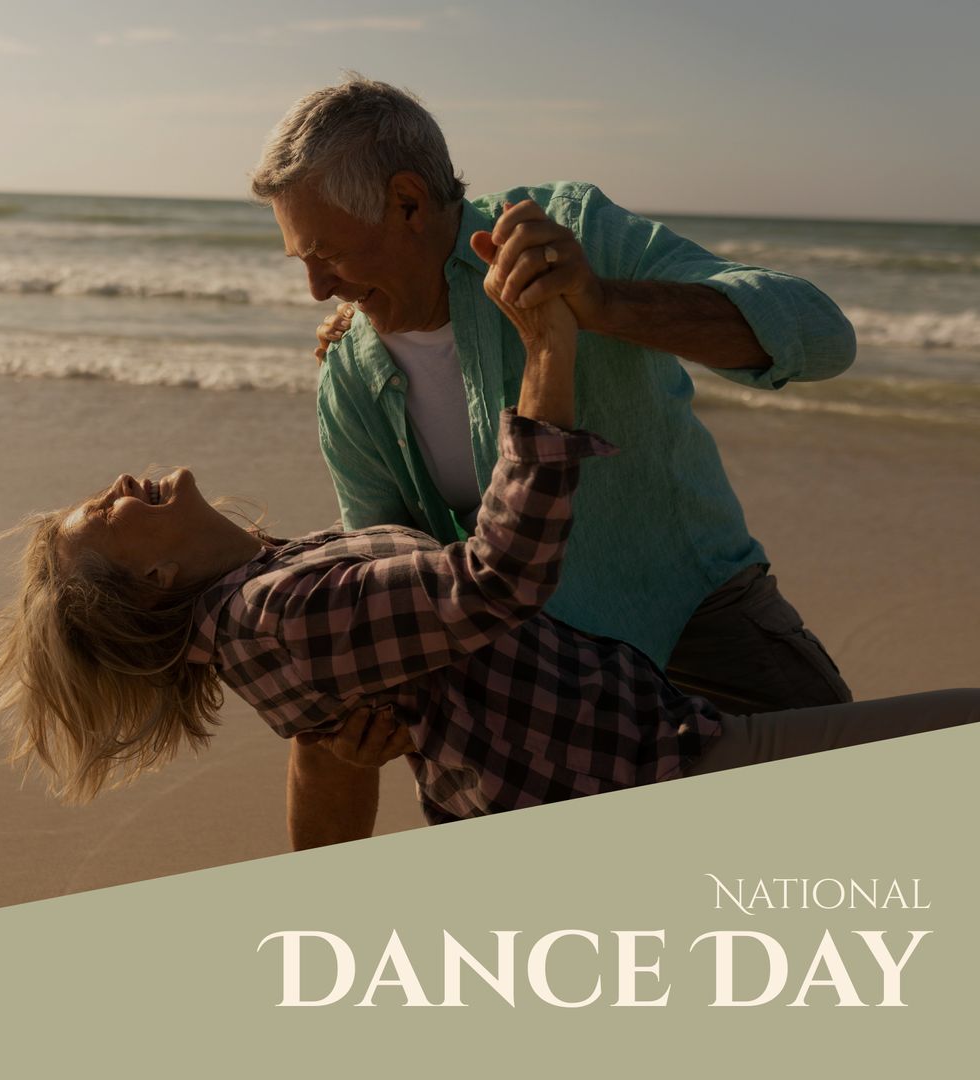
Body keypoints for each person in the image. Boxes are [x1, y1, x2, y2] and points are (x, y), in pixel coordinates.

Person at [0, 251, 980, 821]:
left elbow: (408, 572)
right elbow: (492, 581)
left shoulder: (269, 590)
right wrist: (545, 353)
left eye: (327, 257)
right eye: (105, 512)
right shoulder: (274, 616)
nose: (119, 485)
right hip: (653, 769)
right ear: (155, 574)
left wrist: (381, 327)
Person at [250, 76, 858, 845]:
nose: (314, 289)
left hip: (699, 626)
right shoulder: (348, 377)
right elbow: (391, 569)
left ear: (407, 202)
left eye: (327, 253)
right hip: (541, 701)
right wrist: (362, 723)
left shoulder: (569, 232)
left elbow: (823, 336)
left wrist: (603, 302)